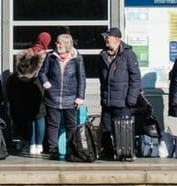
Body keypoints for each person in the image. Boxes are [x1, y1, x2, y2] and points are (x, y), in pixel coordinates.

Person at [96, 27, 142, 163]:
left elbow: (136, 78)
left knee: (123, 129)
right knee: (106, 128)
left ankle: (124, 152)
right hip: (107, 99)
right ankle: (108, 152)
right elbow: (101, 76)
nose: (105, 40)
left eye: (108, 37)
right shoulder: (102, 55)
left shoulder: (128, 54)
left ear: (116, 39)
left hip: (123, 100)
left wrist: (132, 98)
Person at [40, 32, 85, 160]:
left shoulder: (77, 59)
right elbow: (42, 73)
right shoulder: (50, 56)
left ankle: (71, 149)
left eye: (59, 43)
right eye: (56, 43)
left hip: (71, 98)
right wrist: (46, 83)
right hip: (53, 97)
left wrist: (80, 97)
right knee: (53, 125)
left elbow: (81, 79)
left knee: (72, 125)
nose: (56, 45)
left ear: (66, 45)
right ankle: (53, 150)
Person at [10, 32, 48, 157]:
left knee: (29, 117)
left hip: (24, 89)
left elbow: (18, 74)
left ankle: (31, 144)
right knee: (40, 116)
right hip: (38, 88)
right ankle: (39, 144)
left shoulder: (24, 54)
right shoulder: (45, 56)